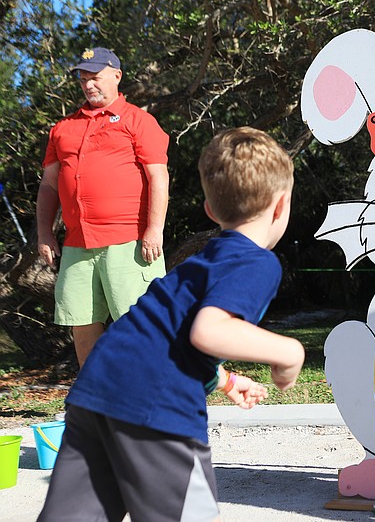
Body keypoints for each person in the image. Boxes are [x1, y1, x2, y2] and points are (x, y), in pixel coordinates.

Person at [38, 127, 305, 521]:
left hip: (96, 388)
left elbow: (167, 339)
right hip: (154, 411)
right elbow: (208, 331)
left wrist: (226, 381)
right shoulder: (256, 261)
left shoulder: (202, 261)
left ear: (210, 211)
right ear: (281, 206)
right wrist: (289, 350)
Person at [36, 47, 170, 366]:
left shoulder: (139, 121)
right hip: (77, 244)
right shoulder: (63, 128)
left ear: (116, 76)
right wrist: (44, 233)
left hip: (130, 242)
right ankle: (95, 402)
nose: (88, 85)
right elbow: (49, 185)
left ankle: (150, 399)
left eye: (95, 77)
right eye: (83, 79)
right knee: (82, 322)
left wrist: (154, 230)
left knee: (141, 323)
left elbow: (158, 178)